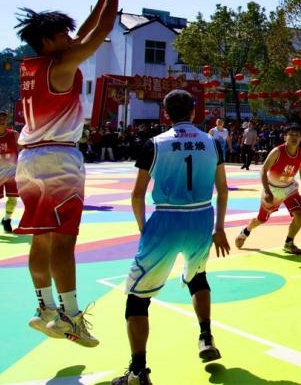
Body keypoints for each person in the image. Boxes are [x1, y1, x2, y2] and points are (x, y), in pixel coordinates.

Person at [14, 0, 142, 347]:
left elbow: (84, 35)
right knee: (64, 241)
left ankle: (45, 309)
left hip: (30, 159)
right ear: (47, 41)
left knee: (41, 239)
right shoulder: (62, 64)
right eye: (63, 35)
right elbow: (97, 35)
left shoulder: (35, 65)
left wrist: (101, 0)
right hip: (58, 161)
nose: (71, 39)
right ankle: (70, 317)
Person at [112, 90, 230, 385]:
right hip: (201, 217)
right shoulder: (213, 143)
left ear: (165, 114)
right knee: (198, 277)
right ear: (194, 111)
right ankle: (206, 336)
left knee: (137, 299)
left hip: (166, 219)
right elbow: (223, 189)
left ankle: (138, 371)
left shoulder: (154, 144)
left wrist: (144, 229)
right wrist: (219, 228)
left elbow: (137, 195)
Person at [235, 124, 301, 255]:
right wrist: (267, 191)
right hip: (272, 189)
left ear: (300, 138)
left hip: (289, 188)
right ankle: (245, 232)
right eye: (291, 135)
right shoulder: (277, 151)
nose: (294, 137)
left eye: (297, 135)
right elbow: (263, 170)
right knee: (261, 219)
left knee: (299, 215)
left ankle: (289, 243)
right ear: (285, 137)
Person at [0, 110, 21, 235]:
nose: (2, 120)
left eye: (4, 118)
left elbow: (23, 150)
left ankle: (7, 220)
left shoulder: (14, 135)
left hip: (12, 173)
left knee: (13, 198)